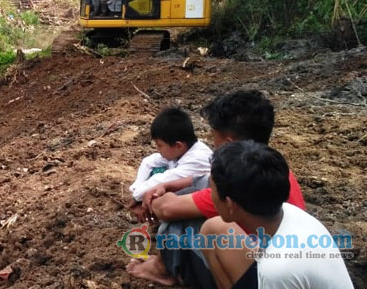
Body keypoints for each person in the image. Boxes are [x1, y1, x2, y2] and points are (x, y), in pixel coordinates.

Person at [127, 90, 306, 288]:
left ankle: (164, 269)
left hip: (261, 275)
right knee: (192, 197)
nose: (213, 144)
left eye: (215, 138)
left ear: (229, 144)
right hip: (283, 258)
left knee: (177, 223)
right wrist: (170, 184)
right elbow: (202, 181)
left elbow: (167, 210)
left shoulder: (235, 185)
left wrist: (153, 197)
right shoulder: (271, 166)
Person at [204, 141, 354, 289]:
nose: (211, 196)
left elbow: (277, 271)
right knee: (213, 229)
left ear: (230, 204)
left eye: (212, 189)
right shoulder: (288, 212)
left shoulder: (276, 272)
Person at [128, 107, 213, 222]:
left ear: (178, 145)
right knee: (155, 174)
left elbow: (162, 181)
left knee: (157, 194)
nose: (158, 149)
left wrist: (137, 197)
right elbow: (149, 161)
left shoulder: (198, 160)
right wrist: (136, 190)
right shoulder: (183, 149)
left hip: (200, 206)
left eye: (160, 145)